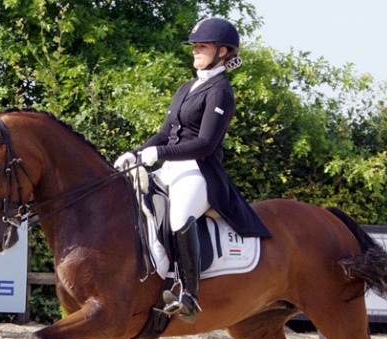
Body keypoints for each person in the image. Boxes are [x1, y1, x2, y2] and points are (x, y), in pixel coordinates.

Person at [115, 17, 271, 323]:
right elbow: (164, 133)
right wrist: (135, 154)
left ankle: (189, 295)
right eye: (195, 46)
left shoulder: (221, 91)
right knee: (135, 203)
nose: (195, 51)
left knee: (178, 217)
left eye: (202, 46)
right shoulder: (187, 87)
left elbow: (204, 144)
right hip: (171, 168)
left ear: (223, 51)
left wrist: (157, 153)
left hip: (199, 172)